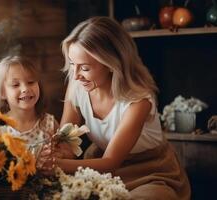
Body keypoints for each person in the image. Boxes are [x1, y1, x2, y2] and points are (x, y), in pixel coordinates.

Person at [40, 16, 191, 200]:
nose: (76, 75)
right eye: (72, 65)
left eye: (85, 68)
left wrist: (57, 164)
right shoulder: (77, 84)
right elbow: (67, 141)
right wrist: (56, 151)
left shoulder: (139, 100)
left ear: (111, 64)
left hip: (150, 172)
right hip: (98, 167)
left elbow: (111, 162)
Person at [0, 55, 67, 158]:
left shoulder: (49, 124)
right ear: (3, 93)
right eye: (16, 85)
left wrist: (59, 155)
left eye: (30, 82)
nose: (25, 89)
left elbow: (66, 156)